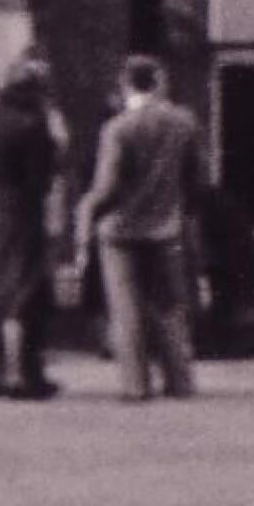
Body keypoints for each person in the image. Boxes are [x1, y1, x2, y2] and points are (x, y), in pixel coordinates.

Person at [79, 54, 206, 403]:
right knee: (169, 305)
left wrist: (87, 208)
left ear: (125, 84)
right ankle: (180, 379)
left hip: (120, 230)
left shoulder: (117, 128)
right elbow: (196, 176)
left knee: (126, 309)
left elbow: (107, 186)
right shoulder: (184, 122)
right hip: (166, 226)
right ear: (158, 81)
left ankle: (136, 384)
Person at [0, 60, 61, 400]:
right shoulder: (32, 125)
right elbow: (42, 178)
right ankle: (21, 375)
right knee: (22, 292)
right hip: (21, 212)